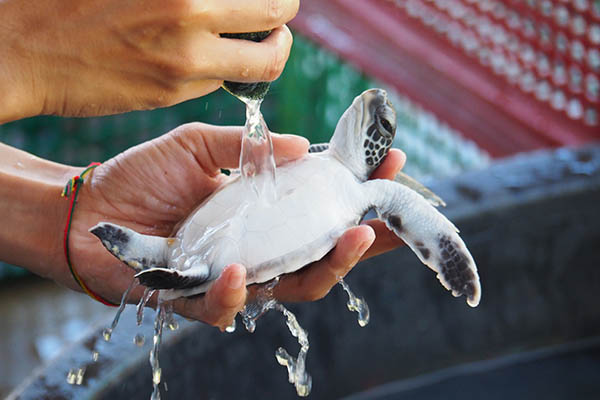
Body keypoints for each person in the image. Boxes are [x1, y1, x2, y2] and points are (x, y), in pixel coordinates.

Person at [0, 0, 405, 330]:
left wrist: (63, 216)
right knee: (201, 269)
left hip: (234, 237)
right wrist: (20, 52)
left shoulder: (348, 176)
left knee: (201, 270)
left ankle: (178, 263)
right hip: (240, 233)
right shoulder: (338, 171)